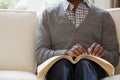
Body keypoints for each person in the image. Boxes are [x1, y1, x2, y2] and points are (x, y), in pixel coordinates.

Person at [35, 0, 119, 80]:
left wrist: (101, 54)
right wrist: (65, 54)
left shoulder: (104, 16)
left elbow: (114, 57)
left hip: (91, 68)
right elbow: (39, 54)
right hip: (59, 68)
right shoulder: (47, 14)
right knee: (62, 64)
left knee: (84, 64)